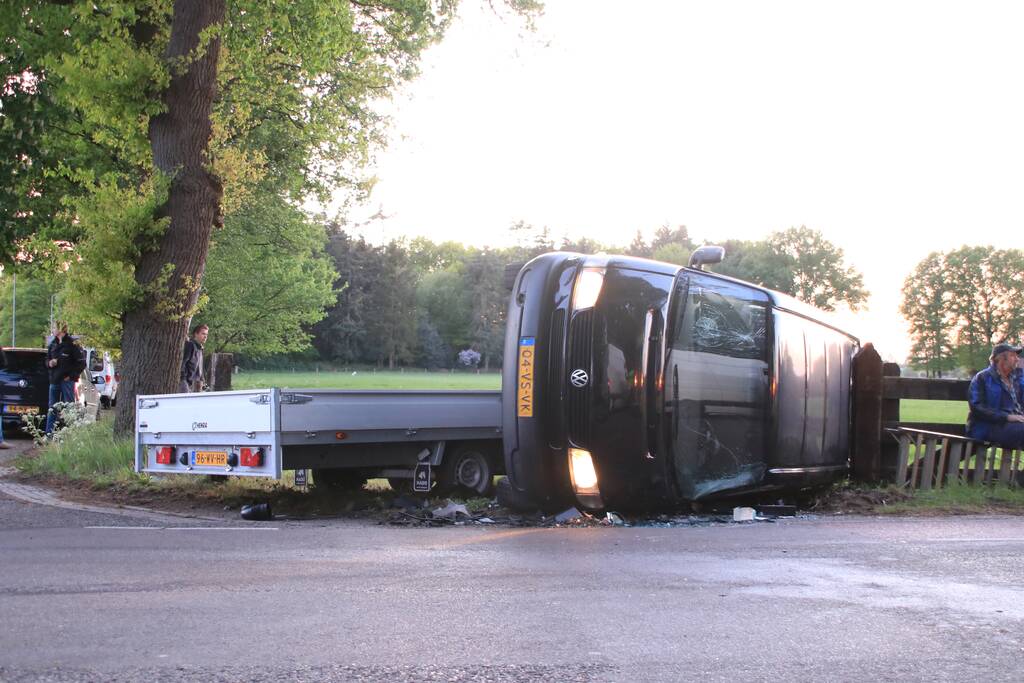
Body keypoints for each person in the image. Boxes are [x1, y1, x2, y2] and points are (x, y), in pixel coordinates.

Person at [966, 342, 1024, 448]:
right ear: (1000, 359)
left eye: (1017, 356)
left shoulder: (1018, 378)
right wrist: (1006, 417)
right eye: (1012, 355)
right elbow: (977, 407)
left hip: (1016, 425)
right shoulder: (982, 378)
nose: (1017, 359)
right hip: (989, 426)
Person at [45, 323, 87, 435]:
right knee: (52, 409)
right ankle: (48, 435)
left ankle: (70, 435)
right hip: (54, 381)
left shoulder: (72, 344)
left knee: (69, 407)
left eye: (54, 327)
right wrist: (50, 363)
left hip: (67, 381)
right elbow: (46, 361)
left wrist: (71, 377)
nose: (52, 330)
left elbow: (82, 363)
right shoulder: (52, 344)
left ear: (61, 329)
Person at [179, 323, 208, 393]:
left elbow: (200, 370)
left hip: (197, 385)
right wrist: (184, 382)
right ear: (196, 334)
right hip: (187, 384)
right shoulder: (190, 345)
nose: (205, 336)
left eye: (206, 334)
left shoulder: (200, 348)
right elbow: (182, 364)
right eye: (203, 334)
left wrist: (204, 384)